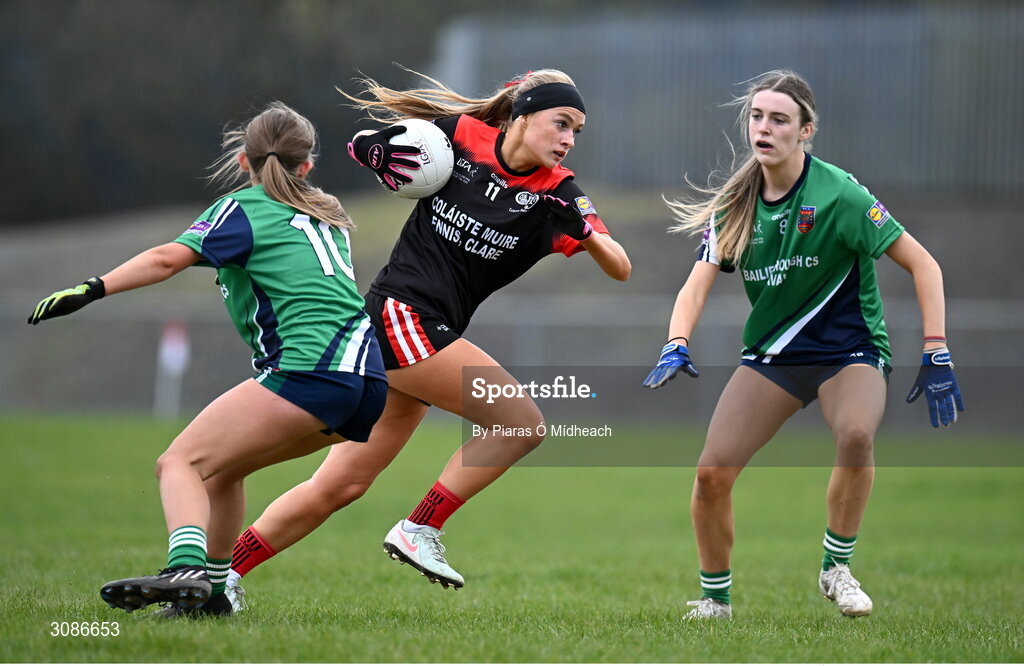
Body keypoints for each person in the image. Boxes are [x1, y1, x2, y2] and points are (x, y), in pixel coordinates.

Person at [216, 68, 630, 601]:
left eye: (578, 130)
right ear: (523, 117)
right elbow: (365, 143)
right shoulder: (457, 136)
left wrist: (587, 234)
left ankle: (222, 577)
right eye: (561, 123)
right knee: (521, 423)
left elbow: (620, 266)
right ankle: (420, 528)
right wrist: (379, 154)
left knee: (341, 484)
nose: (569, 139)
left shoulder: (558, 195)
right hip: (400, 314)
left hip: (423, 334)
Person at [27, 102, 388, 617]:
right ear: (306, 166)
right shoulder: (326, 211)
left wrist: (93, 288)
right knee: (220, 473)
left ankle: (186, 568)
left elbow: (166, 259)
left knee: (178, 463)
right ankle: (214, 596)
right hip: (366, 381)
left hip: (310, 371)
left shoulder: (243, 207)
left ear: (244, 160)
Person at [642, 70, 963, 620]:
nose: (764, 128)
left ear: (806, 131)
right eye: (757, 117)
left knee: (857, 434)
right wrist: (676, 342)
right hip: (773, 357)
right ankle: (715, 601)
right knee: (711, 473)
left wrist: (936, 349)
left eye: (779, 119)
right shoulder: (735, 205)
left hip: (849, 352)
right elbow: (695, 285)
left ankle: (836, 568)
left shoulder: (839, 193)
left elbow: (924, 265)